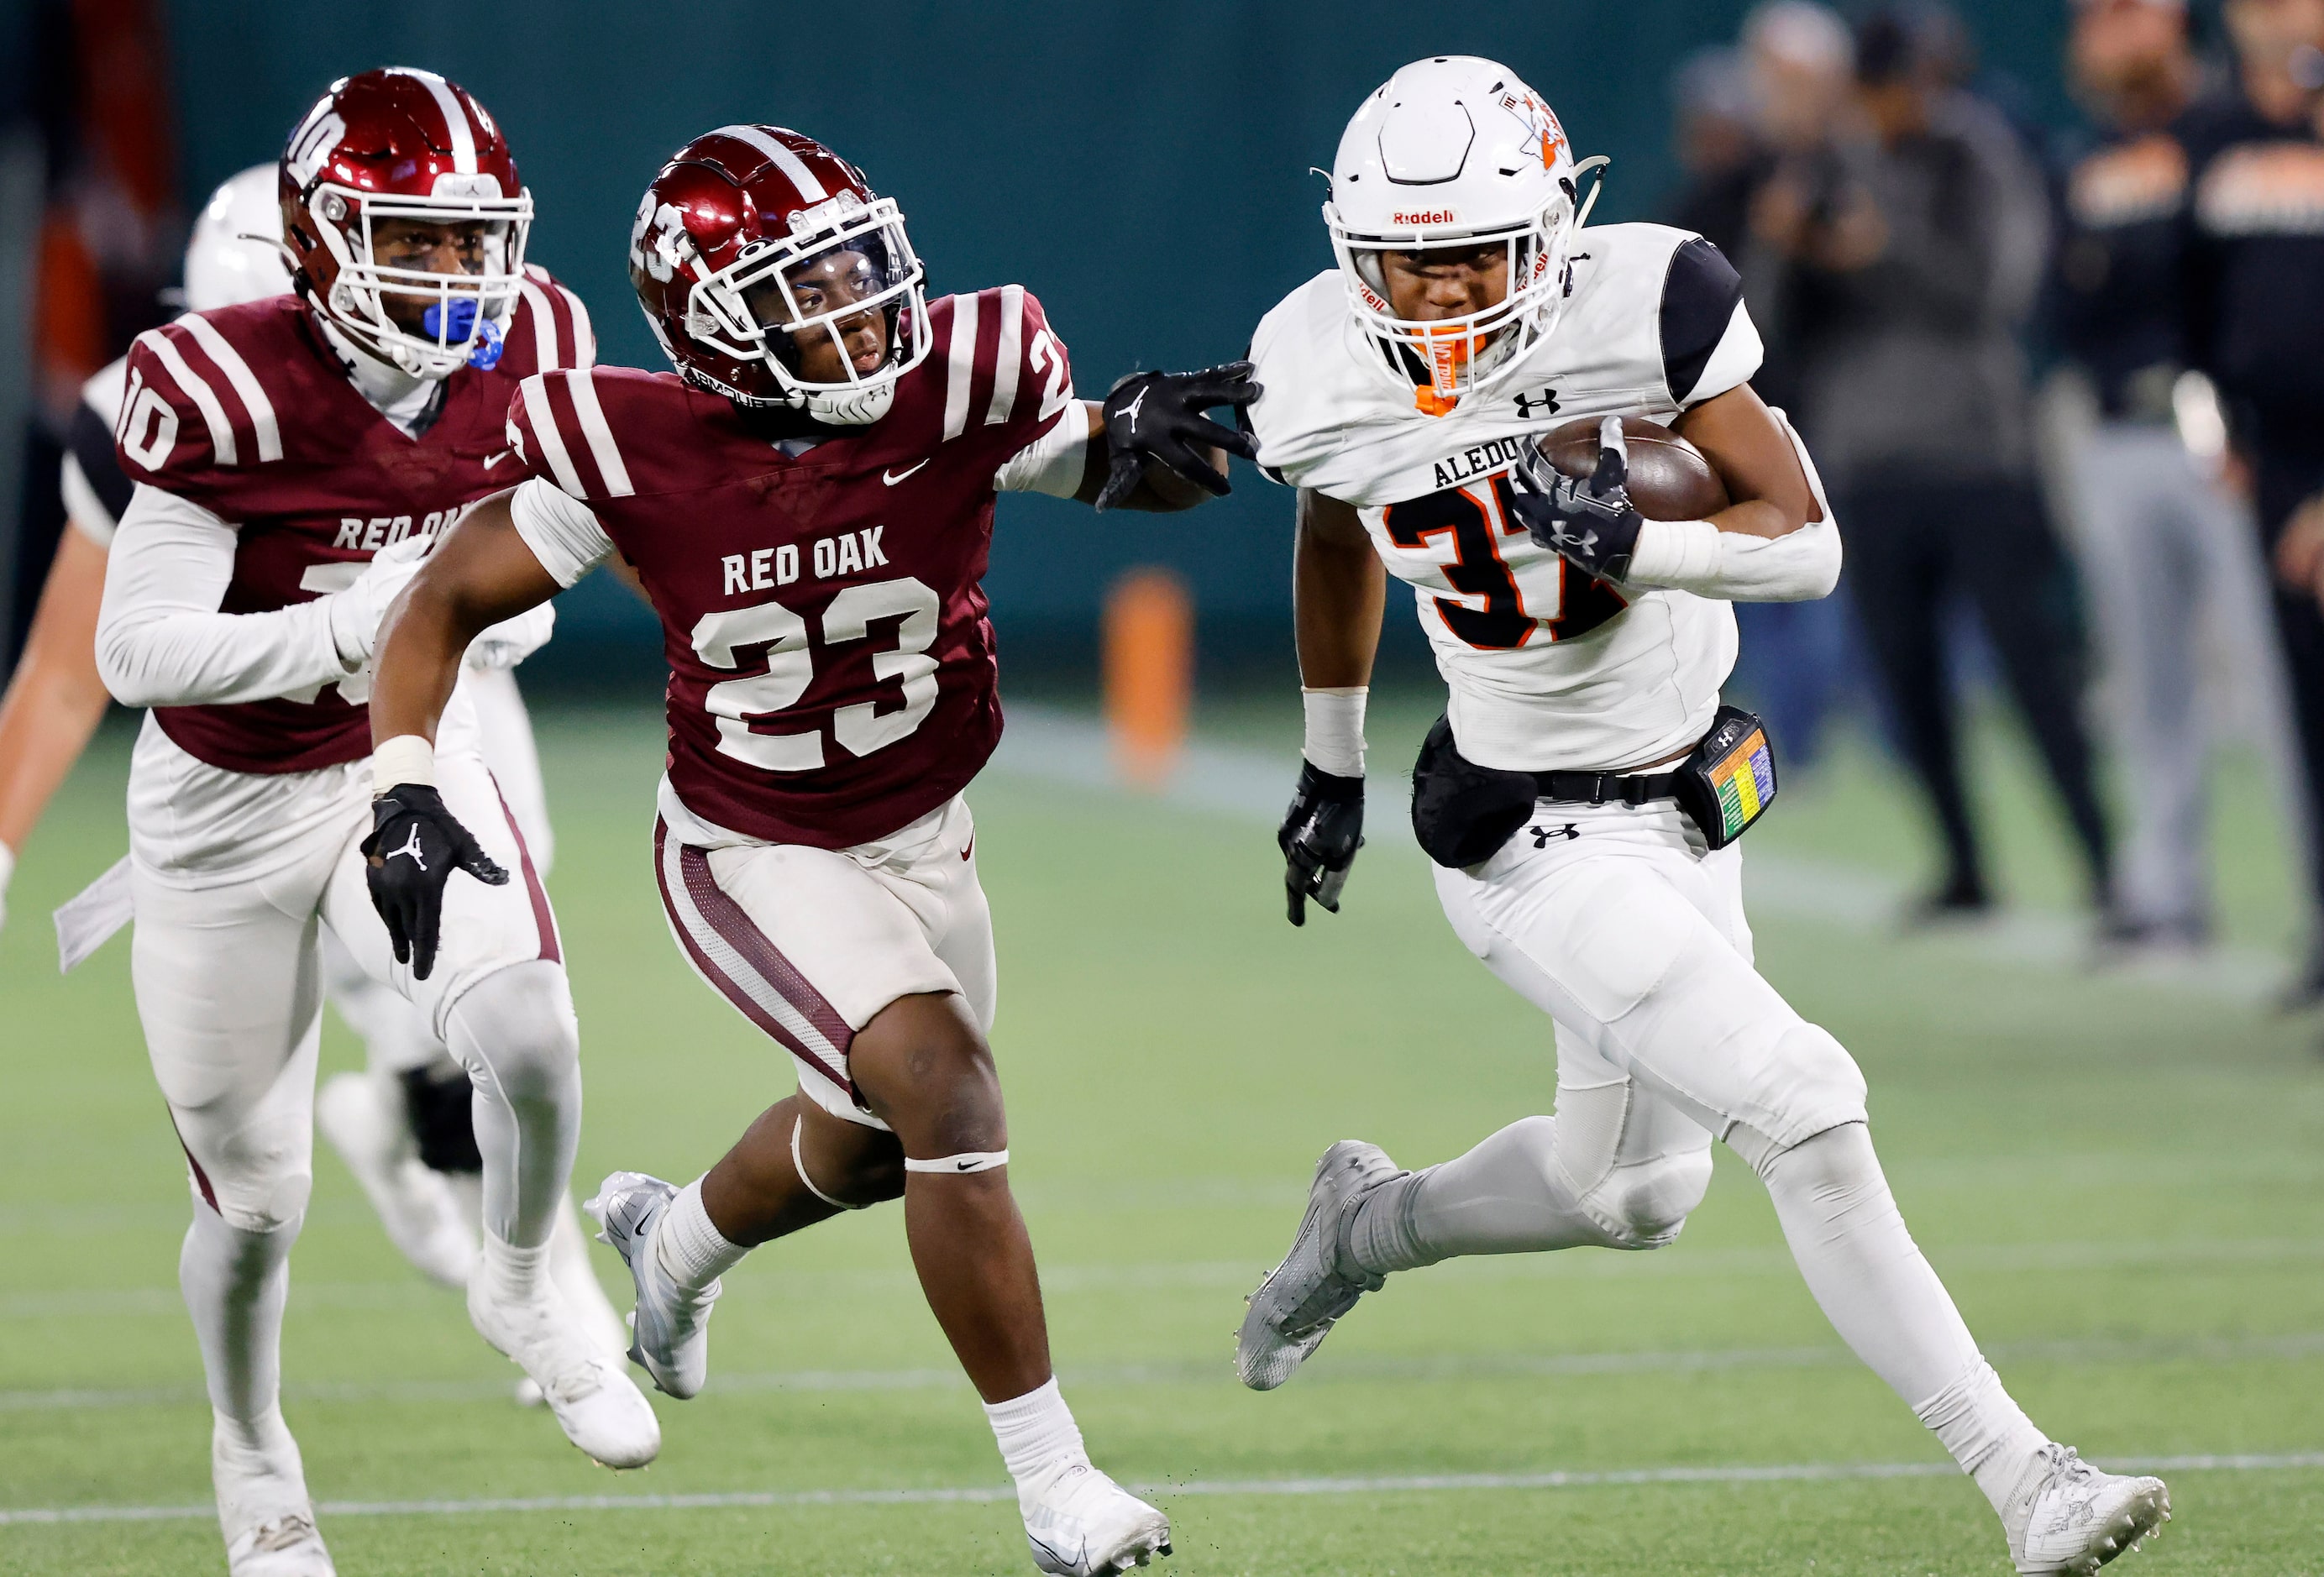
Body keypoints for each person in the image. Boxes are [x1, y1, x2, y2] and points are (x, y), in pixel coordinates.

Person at [1237, 56, 2169, 1575]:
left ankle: (1365, 1223)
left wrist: (1640, 539)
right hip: (1526, 836)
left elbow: (1804, 542)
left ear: (1551, 224)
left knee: (1633, 1191)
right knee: (1800, 1096)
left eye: (1472, 250)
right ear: (1353, 251)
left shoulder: (1650, 299)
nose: (1440, 292)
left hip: (1680, 801)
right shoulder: (1313, 362)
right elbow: (1335, 527)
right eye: (1403, 262)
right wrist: (1329, 757)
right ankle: (2027, 1475)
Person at [360, 125, 1256, 1576]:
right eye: (797, 286)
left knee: (876, 1144)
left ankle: (671, 1249)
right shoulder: (626, 447)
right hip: (750, 843)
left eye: (854, 266)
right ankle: (1056, 1484)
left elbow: (1111, 461)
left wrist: (1157, 444)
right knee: (945, 1084)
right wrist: (402, 780)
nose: (850, 307)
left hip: (925, 831)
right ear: (710, 322)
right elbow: (435, 607)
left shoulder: (957, 381)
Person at [92, 69, 658, 1577]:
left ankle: (525, 1278)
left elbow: (538, 540)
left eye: (476, 242)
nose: (457, 279)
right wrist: (360, 621)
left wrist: (479, 621)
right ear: (316, 236)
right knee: (257, 1195)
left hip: (397, 754)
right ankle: (254, 1452)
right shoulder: (227, 383)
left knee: (532, 1031)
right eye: (412, 242)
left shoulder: (535, 339)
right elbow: (134, 656)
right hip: (219, 803)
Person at [0, 164, 631, 1370]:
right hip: (246, 755)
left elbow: (572, 522)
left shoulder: (508, 340)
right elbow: (85, 662)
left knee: (502, 995)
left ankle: (530, 1267)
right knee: (373, 1026)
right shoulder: (176, 403)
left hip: (438, 692)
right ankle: (417, 1145)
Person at [1774, 8, 2119, 925]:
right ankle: (1964, 867)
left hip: (1976, 454)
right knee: (1906, 677)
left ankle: (2106, 864)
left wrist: (1882, 250)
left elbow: (1993, 292)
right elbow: (1773, 328)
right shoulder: (1828, 162)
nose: (1884, 106)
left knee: (2030, 669)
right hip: (1865, 459)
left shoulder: (1979, 155)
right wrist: (1785, 242)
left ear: (1927, 80)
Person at [2053, 0, 2300, 951]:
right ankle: (2164, 892)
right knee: (2146, 681)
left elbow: (2201, 284)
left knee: (2277, 672)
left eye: (2122, 15)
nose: (2100, 37)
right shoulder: (2085, 156)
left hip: (2221, 438)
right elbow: (2066, 305)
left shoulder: (2229, 133)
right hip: (2117, 431)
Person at [2181, 0, 2324, 1000]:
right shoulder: (2218, 134)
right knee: (2306, 711)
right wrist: (2215, 432)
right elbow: (2190, 309)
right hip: (2274, 468)